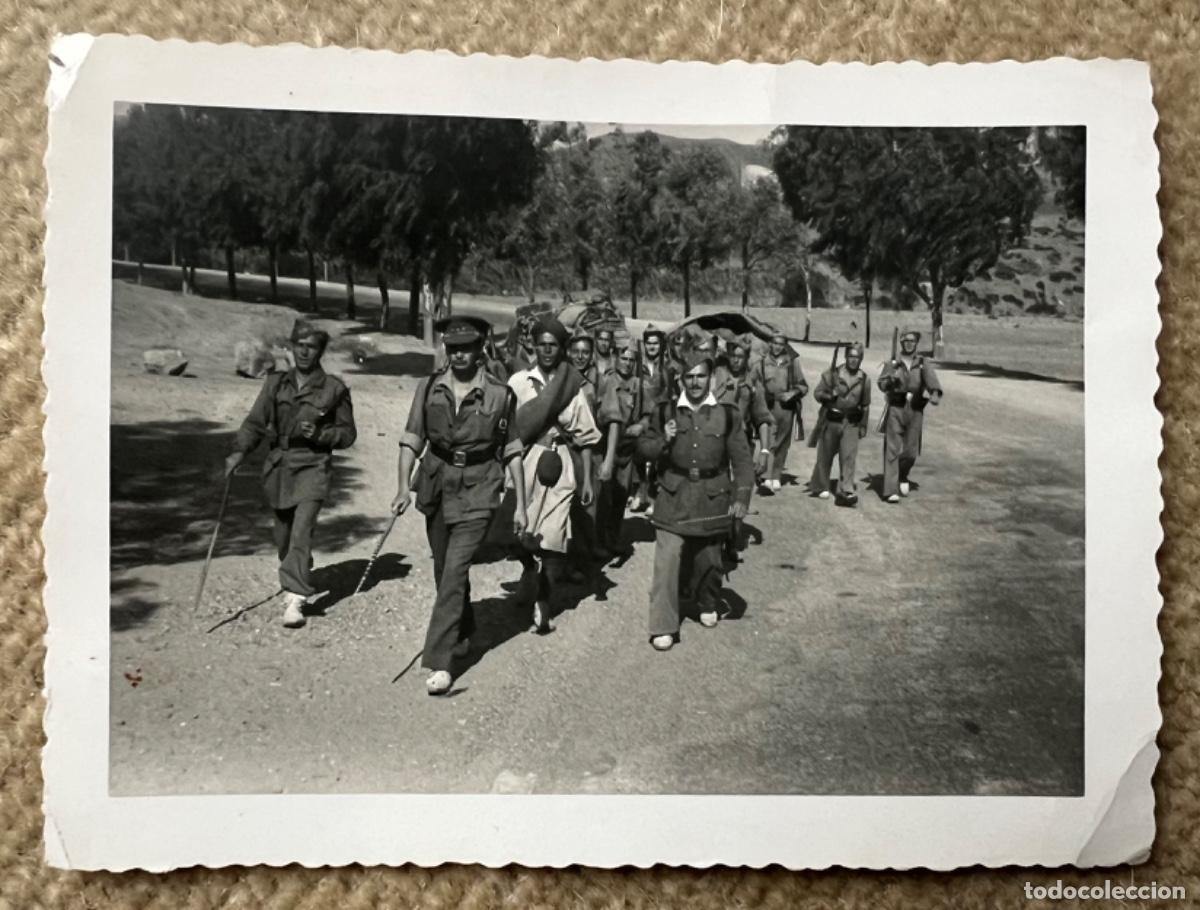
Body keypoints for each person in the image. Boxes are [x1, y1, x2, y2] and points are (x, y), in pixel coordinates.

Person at [392, 316, 528, 694]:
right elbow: (412, 438)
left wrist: (521, 505)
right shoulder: (429, 387)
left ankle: (441, 660)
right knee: (443, 570)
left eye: (466, 347)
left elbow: (512, 450)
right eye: (452, 348)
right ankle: (464, 628)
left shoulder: (500, 395)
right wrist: (402, 487)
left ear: (481, 348)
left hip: (479, 489)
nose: (458, 355)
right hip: (436, 484)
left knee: (454, 571)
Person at [225, 320, 357, 629]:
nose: (304, 352)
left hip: (313, 465)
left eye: (311, 347)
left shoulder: (334, 389)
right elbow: (255, 422)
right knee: (283, 536)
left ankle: (296, 597)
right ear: (291, 346)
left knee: (301, 531)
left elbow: (348, 434)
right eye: (299, 345)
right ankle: (298, 567)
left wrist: (321, 435)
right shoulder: (276, 384)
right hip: (279, 466)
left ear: (320, 351)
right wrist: (238, 452)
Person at [637, 348, 754, 651]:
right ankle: (663, 625)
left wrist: (741, 498)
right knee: (667, 561)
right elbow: (643, 448)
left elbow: (742, 461)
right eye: (689, 377)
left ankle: (707, 599)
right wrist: (662, 440)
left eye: (701, 376)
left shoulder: (727, 414)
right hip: (673, 497)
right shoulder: (665, 411)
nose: (695, 382)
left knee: (709, 562)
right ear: (681, 380)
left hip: (712, 499)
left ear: (711, 378)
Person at [508, 317, 601, 632]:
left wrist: (586, 479)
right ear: (534, 347)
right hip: (525, 462)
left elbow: (586, 436)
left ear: (562, 349)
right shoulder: (519, 383)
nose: (547, 351)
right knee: (522, 533)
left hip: (561, 464)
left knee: (554, 537)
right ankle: (527, 569)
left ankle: (543, 600)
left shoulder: (572, 386)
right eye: (542, 345)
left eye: (553, 345)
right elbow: (506, 429)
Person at [594, 339, 649, 560]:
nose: (627, 363)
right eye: (623, 358)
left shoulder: (638, 385)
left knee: (619, 498)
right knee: (602, 498)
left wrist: (641, 426)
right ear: (616, 358)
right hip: (605, 448)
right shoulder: (606, 381)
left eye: (631, 359)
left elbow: (647, 414)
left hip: (626, 451)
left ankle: (612, 539)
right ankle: (597, 542)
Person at [877, 327, 943, 503]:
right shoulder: (892, 363)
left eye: (912, 341)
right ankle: (890, 490)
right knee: (891, 449)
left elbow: (933, 383)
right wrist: (889, 381)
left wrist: (934, 394)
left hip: (915, 409)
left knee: (911, 452)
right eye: (905, 340)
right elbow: (881, 384)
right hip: (895, 408)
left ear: (916, 343)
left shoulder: (922, 363)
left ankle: (902, 474)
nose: (909, 344)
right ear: (901, 342)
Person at [809, 342, 871, 504]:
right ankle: (820, 485)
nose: (853, 360)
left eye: (857, 357)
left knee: (848, 456)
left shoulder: (864, 379)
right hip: (832, 419)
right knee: (825, 454)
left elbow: (865, 405)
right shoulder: (832, 374)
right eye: (850, 356)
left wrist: (863, 425)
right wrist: (829, 395)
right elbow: (817, 393)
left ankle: (845, 489)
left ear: (861, 359)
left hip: (851, 422)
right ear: (845, 357)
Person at [713, 333, 773, 478]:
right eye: (732, 356)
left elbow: (762, 419)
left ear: (746, 357)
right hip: (715, 440)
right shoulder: (716, 375)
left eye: (740, 357)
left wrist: (764, 451)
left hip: (741, 441)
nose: (735, 360)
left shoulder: (752, 383)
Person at [757, 328, 809, 491]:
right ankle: (766, 476)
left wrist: (792, 393)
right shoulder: (762, 362)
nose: (777, 347)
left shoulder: (792, 363)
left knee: (782, 443)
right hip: (768, 406)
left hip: (786, 408)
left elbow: (803, 386)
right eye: (774, 343)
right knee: (769, 441)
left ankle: (776, 476)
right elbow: (756, 383)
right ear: (770, 344)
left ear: (785, 345)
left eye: (781, 344)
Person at [631, 325, 670, 512]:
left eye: (655, 343)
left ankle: (654, 497)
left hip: (661, 417)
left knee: (658, 456)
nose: (652, 347)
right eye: (649, 343)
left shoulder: (666, 366)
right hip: (641, 416)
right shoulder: (638, 365)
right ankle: (640, 493)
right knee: (639, 455)